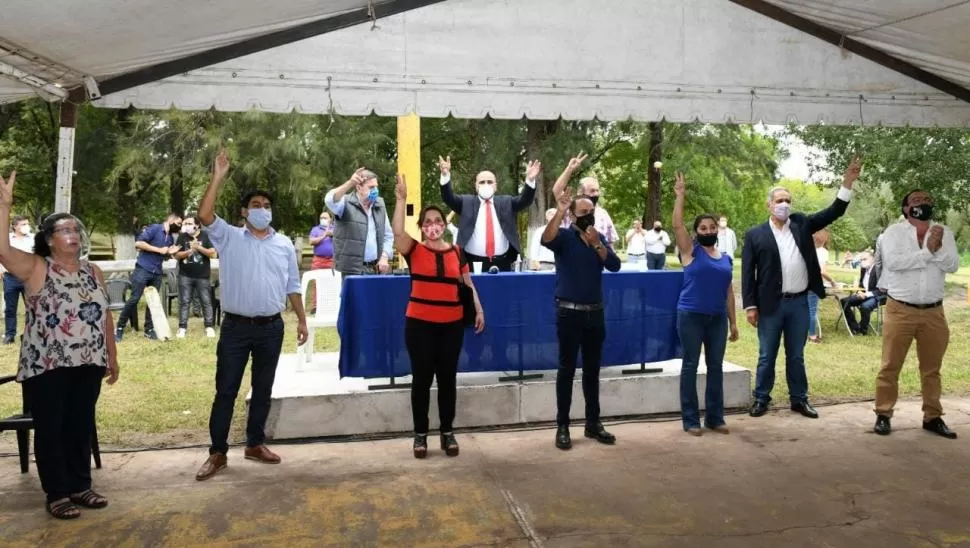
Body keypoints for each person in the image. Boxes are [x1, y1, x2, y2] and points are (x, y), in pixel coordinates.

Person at [0, 171, 119, 520]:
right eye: (65, 230)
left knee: (81, 424)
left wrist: (111, 355)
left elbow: (104, 316)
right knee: (51, 428)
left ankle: (81, 485)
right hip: (48, 365)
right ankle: (56, 493)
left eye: (75, 230)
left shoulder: (92, 271)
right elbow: (2, 251)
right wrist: (5, 206)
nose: (73, 235)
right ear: (50, 240)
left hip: (89, 361)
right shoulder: (37, 267)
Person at [195, 150, 308, 481]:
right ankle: (217, 453)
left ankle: (255, 444)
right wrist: (218, 175)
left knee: (263, 388)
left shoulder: (284, 244)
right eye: (256, 205)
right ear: (244, 213)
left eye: (267, 206)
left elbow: (292, 284)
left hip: (272, 327)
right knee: (226, 389)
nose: (262, 210)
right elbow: (204, 215)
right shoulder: (229, 236)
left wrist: (301, 319)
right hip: (236, 328)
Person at [743, 156, 860, 419]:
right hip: (770, 304)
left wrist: (847, 183)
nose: (784, 204)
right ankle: (761, 398)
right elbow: (748, 274)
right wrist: (751, 306)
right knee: (766, 356)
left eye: (787, 200)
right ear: (769, 204)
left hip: (798, 303)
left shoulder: (802, 224)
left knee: (796, 356)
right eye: (779, 200)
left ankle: (799, 399)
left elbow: (835, 211)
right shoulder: (755, 235)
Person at [392, 174, 485, 458]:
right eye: (427, 222)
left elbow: (468, 284)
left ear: (444, 225)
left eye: (437, 221)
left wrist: (479, 309)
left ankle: (447, 432)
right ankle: (420, 435)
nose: (433, 225)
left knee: (447, 380)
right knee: (421, 380)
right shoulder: (414, 250)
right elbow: (397, 232)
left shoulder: (458, 252)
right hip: (419, 326)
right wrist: (400, 199)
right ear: (421, 228)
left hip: (451, 326)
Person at [541, 178, 622, 450]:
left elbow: (614, 266)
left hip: (594, 314)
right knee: (566, 370)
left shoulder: (598, 240)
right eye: (583, 212)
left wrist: (598, 244)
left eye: (591, 212)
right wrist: (561, 210)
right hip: (569, 313)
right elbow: (546, 238)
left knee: (592, 371)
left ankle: (593, 423)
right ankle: (562, 426)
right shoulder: (564, 238)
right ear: (574, 215)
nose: (588, 216)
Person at [872, 189, 959, 439]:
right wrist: (928, 253)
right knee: (890, 366)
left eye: (927, 200)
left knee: (932, 368)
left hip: (934, 311)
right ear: (906, 208)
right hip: (900, 310)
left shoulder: (943, 232)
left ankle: (933, 417)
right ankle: (883, 414)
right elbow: (895, 263)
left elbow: (952, 265)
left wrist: (937, 248)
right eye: (916, 200)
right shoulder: (893, 233)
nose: (923, 203)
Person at [672, 172, 739, 436]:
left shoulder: (725, 259)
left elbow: (729, 292)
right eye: (703, 228)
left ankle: (715, 417)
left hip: (717, 319)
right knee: (690, 365)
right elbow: (677, 225)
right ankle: (690, 420)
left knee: (716, 367)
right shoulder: (690, 251)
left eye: (712, 228)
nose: (709, 231)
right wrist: (680, 196)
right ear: (696, 233)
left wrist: (733, 322)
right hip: (690, 316)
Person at [439, 155, 539, 271]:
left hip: (504, 261)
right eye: (482, 182)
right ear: (476, 186)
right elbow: (448, 197)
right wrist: (445, 175)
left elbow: (525, 200)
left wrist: (530, 180)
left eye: (490, 182)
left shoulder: (506, 202)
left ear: (495, 186)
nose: (486, 184)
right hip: (471, 262)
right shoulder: (465, 202)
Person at [115, 213, 182, 341]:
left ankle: (149, 330)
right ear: (171, 220)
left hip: (156, 272)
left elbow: (163, 255)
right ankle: (119, 328)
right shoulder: (155, 229)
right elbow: (139, 243)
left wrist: (170, 253)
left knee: (153, 302)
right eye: (178, 223)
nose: (179, 227)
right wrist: (159, 250)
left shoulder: (170, 239)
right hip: (143, 269)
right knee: (134, 299)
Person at [325, 168, 394, 277]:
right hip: (352, 271)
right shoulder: (345, 203)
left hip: (376, 269)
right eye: (371, 187)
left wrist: (384, 257)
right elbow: (329, 200)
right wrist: (350, 183)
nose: (375, 190)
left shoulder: (380, 205)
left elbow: (388, 235)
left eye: (376, 186)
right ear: (358, 187)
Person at [173, 214, 217, 339]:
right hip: (185, 275)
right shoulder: (182, 237)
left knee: (206, 301)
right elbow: (176, 255)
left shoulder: (205, 235)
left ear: (196, 225)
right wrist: (189, 251)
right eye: (185, 223)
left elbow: (213, 254)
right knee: (184, 302)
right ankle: (182, 328)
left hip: (202, 276)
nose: (186, 226)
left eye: (189, 223)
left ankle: (209, 327)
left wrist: (199, 247)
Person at [3, 215, 33, 344]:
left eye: (27, 224)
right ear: (15, 226)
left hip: (28, 277)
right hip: (10, 278)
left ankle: (30, 335)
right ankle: (10, 335)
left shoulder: (33, 238)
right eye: (23, 224)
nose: (26, 226)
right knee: (10, 308)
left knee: (32, 307)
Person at [840, 251, 883, 335]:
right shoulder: (863, 269)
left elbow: (881, 290)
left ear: (873, 259)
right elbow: (861, 284)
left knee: (865, 306)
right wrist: (859, 291)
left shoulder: (878, 270)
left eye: (865, 259)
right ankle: (855, 327)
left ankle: (863, 330)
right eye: (861, 259)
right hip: (863, 293)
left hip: (877, 296)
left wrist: (866, 294)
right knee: (844, 301)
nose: (862, 261)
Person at [807, 230, 836, 344]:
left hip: (803, 283)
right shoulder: (823, 252)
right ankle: (812, 336)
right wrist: (832, 281)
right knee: (812, 311)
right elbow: (822, 272)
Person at [307, 211, 335, 311]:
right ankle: (316, 306)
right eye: (321, 217)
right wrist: (324, 235)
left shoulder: (335, 228)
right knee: (317, 283)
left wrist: (332, 234)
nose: (323, 219)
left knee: (331, 283)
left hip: (332, 260)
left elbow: (341, 239)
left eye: (325, 218)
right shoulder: (315, 229)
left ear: (330, 219)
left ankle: (330, 306)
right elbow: (311, 241)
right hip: (318, 260)